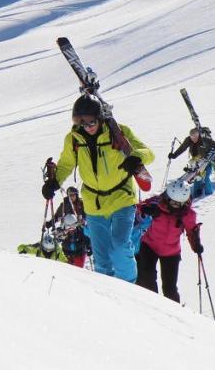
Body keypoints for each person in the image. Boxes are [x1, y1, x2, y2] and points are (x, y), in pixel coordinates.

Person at [42, 95, 154, 282]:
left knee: (119, 246)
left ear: (100, 117)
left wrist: (136, 157)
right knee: (101, 259)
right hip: (94, 204)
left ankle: (131, 290)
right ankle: (108, 296)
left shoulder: (118, 132)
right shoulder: (74, 139)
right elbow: (67, 163)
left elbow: (147, 152)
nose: (86, 126)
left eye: (90, 122)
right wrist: (55, 182)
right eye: (80, 122)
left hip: (122, 198)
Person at [134, 179, 203, 303]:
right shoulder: (157, 204)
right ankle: (151, 304)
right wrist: (145, 210)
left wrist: (196, 245)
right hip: (150, 245)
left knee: (170, 288)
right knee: (147, 276)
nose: (175, 206)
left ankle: (173, 313)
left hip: (171, 252)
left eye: (179, 203)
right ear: (167, 197)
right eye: (173, 202)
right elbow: (139, 208)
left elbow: (192, 231)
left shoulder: (187, 214)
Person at [168, 126, 215, 198]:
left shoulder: (205, 139)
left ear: (198, 135)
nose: (194, 139)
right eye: (192, 138)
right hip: (196, 161)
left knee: (206, 177)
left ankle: (209, 194)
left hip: (207, 161)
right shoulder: (188, 140)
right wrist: (174, 155)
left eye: (195, 137)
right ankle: (197, 193)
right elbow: (182, 148)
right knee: (197, 178)